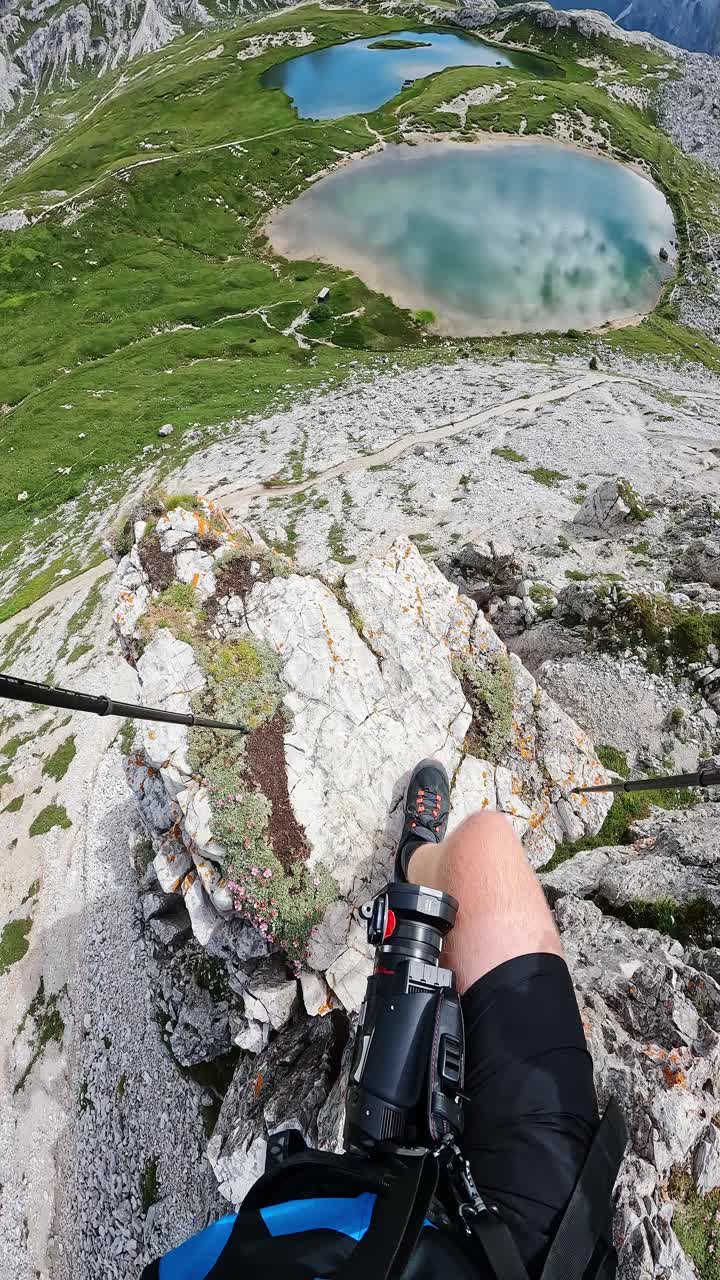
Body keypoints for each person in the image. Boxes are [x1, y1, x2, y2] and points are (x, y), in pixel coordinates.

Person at [142, 760, 623, 1280]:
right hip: (528, 1258)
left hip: (426, 1234)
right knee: (485, 850)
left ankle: (415, 861)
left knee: (478, 854)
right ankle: (415, 859)